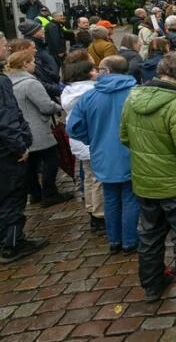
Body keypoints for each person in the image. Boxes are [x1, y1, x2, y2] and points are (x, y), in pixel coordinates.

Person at [120, 51, 176, 305]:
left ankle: (152, 285)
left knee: (149, 236)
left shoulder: (133, 98)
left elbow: (125, 137)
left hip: (145, 182)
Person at [67, 55, 139, 254]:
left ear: (107, 71)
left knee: (111, 197)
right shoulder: (136, 93)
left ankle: (115, 240)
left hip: (102, 154)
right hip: (131, 153)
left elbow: (73, 127)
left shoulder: (89, 97)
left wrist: (92, 138)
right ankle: (130, 240)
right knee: (130, 197)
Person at [0, 34, 48, 263]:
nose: (7, 48)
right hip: (6, 154)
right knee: (12, 197)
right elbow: (7, 119)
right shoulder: (1, 82)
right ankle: (12, 244)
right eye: (2, 44)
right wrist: (20, 147)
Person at [5, 47, 70, 207]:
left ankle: (35, 193)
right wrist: (58, 106)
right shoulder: (30, 83)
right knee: (51, 159)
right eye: (33, 62)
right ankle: (50, 193)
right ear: (25, 64)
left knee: (31, 164)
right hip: (38, 128)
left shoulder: (8, 82)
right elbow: (45, 106)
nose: (35, 65)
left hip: (22, 129)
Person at [61, 51, 104, 233]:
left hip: (79, 143)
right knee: (97, 179)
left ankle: (91, 209)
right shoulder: (90, 92)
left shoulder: (69, 91)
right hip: (91, 141)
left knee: (88, 177)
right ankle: (100, 215)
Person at [17, 19, 61, 100]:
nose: (43, 30)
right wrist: (52, 75)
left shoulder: (40, 44)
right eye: (40, 29)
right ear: (34, 33)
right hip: (50, 87)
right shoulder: (31, 48)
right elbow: (40, 71)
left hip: (52, 84)